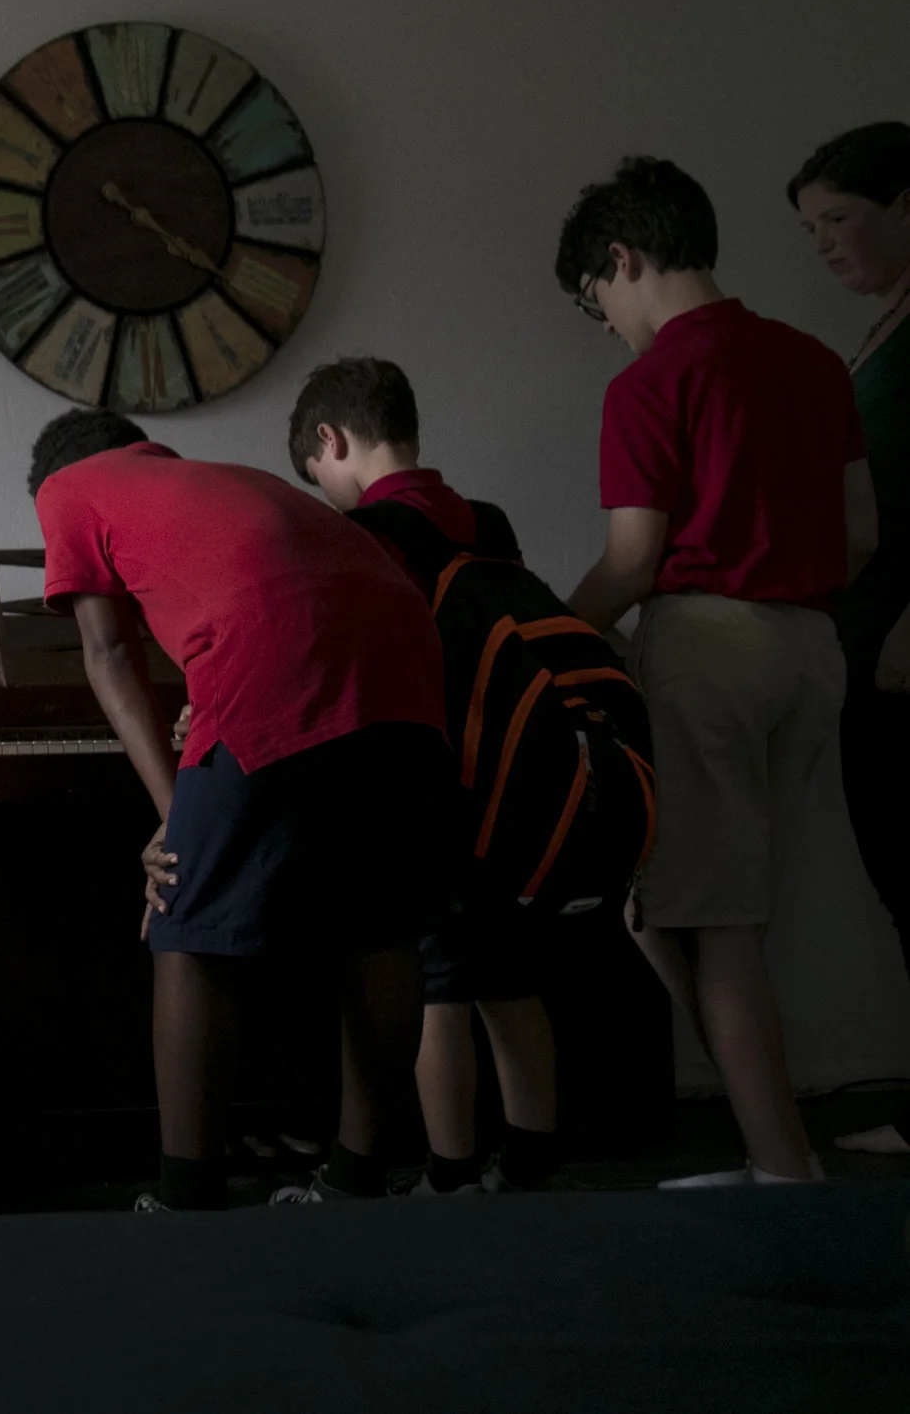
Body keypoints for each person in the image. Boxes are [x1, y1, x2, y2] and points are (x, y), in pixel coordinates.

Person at [27, 408, 448, 1211]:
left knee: (182, 918)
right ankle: (360, 1179)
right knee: (375, 924)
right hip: (402, 642)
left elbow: (110, 653)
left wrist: (171, 815)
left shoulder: (67, 487)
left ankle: (186, 1198)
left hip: (275, 640)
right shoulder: (211, 479)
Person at [555, 156, 875, 1185]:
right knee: (721, 910)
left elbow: (633, 561)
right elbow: (861, 532)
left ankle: (783, 1170)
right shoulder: (818, 362)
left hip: (708, 649)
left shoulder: (649, 384)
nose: (606, 323)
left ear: (621, 255)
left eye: (595, 300)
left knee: (708, 922)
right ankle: (769, 1140)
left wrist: (543, 632)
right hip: (811, 650)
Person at [289, 355, 654, 1196]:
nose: (327, 496)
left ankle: (449, 1175)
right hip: (524, 781)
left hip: (437, 785)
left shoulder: (367, 535)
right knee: (513, 974)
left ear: (330, 440)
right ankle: (527, 1163)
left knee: (440, 983)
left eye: (319, 477)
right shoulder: (485, 519)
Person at [788, 121, 910, 1160]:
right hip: (864, 646)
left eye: (839, 220)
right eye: (812, 229)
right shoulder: (883, 325)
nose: (825, 245)